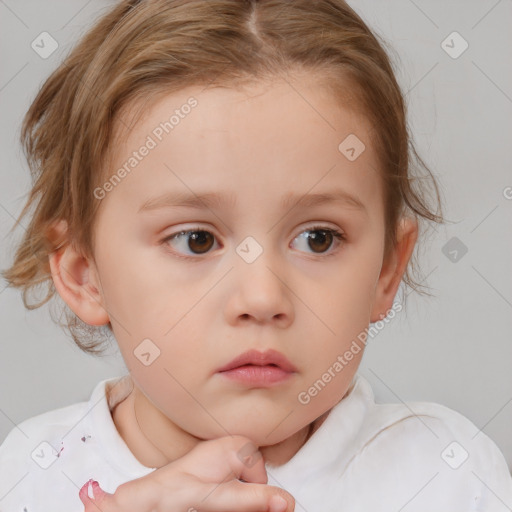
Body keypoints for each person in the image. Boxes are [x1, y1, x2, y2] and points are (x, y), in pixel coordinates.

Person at [0, 0, 511, 510]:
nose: (263, 297)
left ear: (385, 270)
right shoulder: (33, 477)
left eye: (318, 238)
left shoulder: (446, 476)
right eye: (196, 240)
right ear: (85, 276)